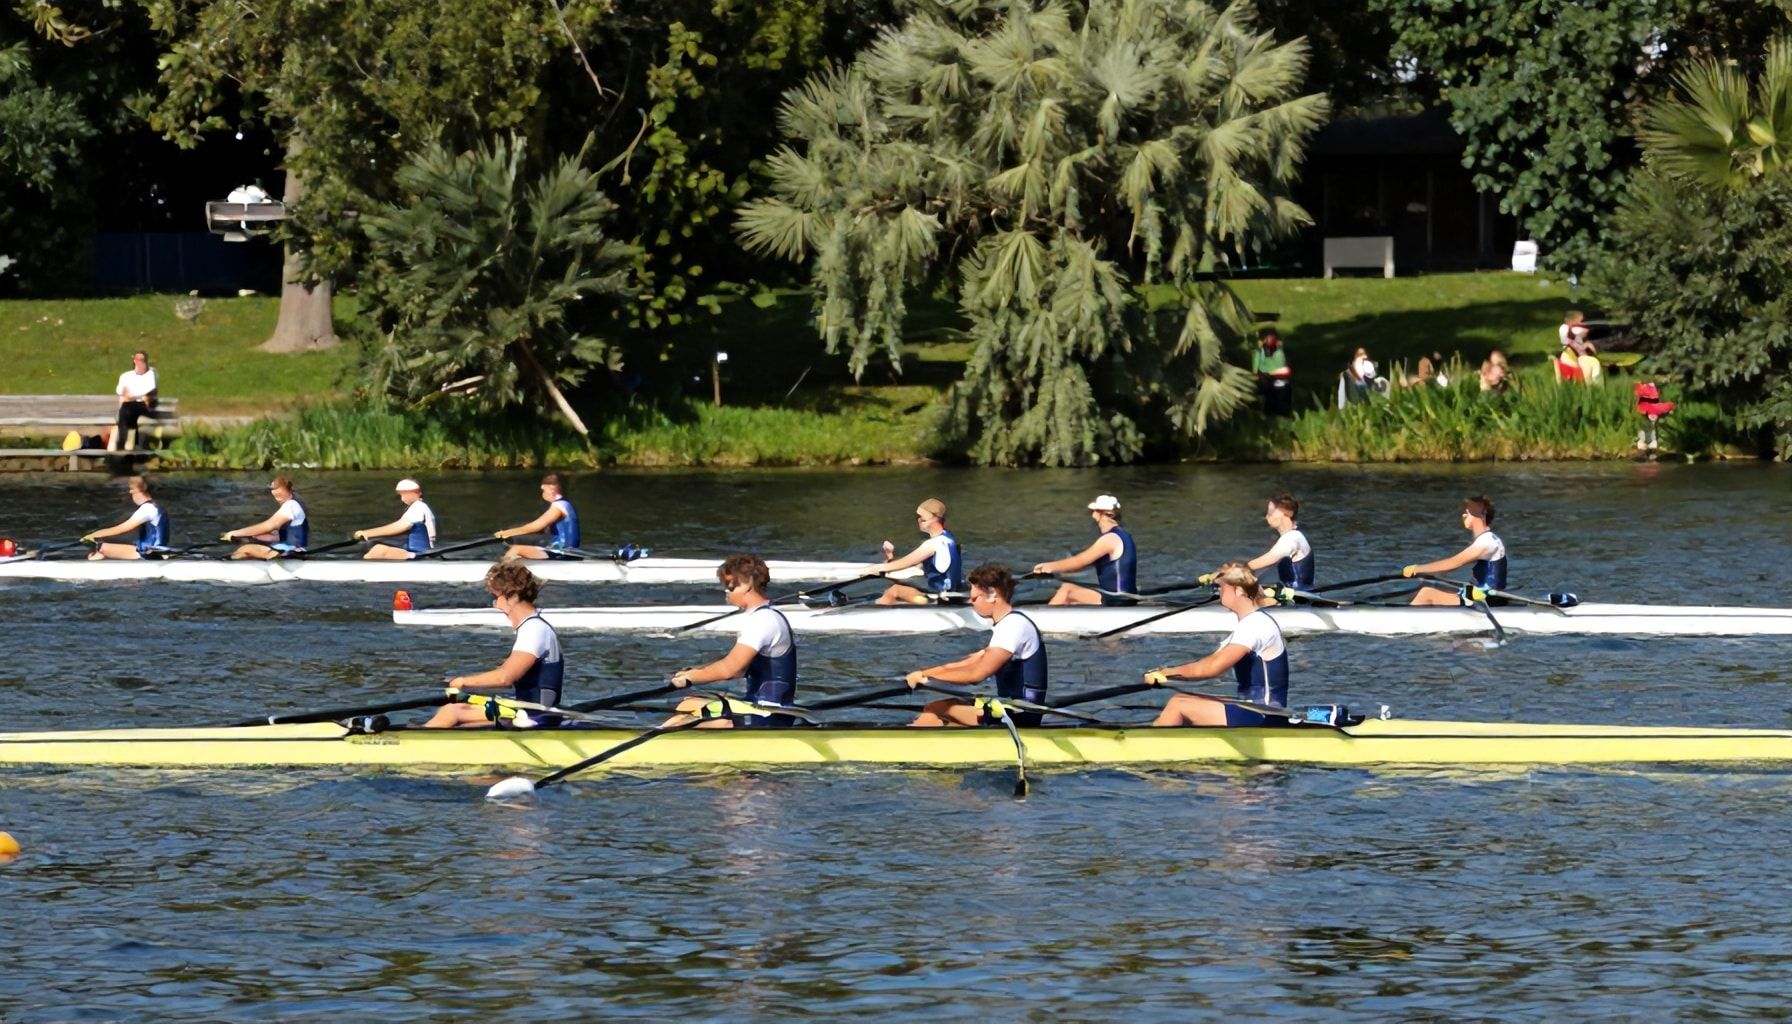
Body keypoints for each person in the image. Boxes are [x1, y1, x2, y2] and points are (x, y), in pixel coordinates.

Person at [1145, 563, 1289, 727]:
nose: (1219, 591)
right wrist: (1164, 676)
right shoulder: (1249, 624)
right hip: (1254, 708)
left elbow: (1213, 667)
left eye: (1222, 587)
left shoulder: (1256, 624)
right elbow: (1209, 663)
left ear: (1239, 590)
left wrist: (1168, 672)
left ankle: (1143, 746)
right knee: (1185, 699)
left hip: (1264, 713)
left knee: (1178, 705)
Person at [905, 563, 1047, 727]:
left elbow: (976, 674)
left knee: (937, 708)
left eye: (975, 598)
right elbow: (967, 663)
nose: (971, 603)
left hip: (1021, 714)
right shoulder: (1008, 624)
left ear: (992, 594)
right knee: (938, 718)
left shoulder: (1013, 626)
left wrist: (929, 679)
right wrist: (922, 673)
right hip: (1009, 708)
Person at [665, 554, 798, 728]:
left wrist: (691, 677)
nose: (726, 593)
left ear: (748, 584)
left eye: (730, 587)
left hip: (767, 715)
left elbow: (730, 669)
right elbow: (739, 670)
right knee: (688, 704)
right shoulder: (763, 616)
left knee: (680, 722)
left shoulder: (764, 620)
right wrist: (697, 671)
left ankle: (645, 748)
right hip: (762, 708)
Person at [425, 562, 564, 728]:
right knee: (457, 716)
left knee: (452, 712)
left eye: (497, 598)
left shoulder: (534, 629)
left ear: (512, 598)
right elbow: (504, 676)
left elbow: (505, 678)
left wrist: (462, 682)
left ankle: (408, 747)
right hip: (527, 712)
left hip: (535, 717)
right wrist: (465, 685)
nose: (496, 605)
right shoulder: (534, 627)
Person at [1400, 495, 1507, 606]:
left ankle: (1403, 619)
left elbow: (1452, 564)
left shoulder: (1486, 542)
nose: (1464, 515)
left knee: (1426, 593)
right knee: (1429, 585)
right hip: (1478, 594)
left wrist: (1417, 569)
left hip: (1487, 599)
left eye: (1467, 513)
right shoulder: (1488, 538)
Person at [1031, 494, 1137, 605]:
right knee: (1073, 594)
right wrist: (1059, 572)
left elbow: (1079, 561)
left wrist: (1049, 567)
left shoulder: (1109, 539)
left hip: (1117, 600)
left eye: (1094, 512)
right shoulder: (1124, 535)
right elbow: (1080, 566)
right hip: (1123, 597)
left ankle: (1043, 620)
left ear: (1097, 514)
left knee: (1067, 590)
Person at [868, 497, 964, 605]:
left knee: (894, 590)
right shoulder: (948, 538)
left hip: (942, 599)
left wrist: (869, 569)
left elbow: (904, 563)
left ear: (935, 518)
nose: (918, 519)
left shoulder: (933, 544)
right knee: (898, 584)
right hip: (949, 593)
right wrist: (890, 556)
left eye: (921, 517)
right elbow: (909, 565)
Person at [82, 475, 172, 560]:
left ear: (142, 491)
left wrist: (92, 536)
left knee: (100, 547)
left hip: (150, 552)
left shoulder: (148, 509)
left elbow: (121, 529)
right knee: (100, 546)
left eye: (132, 489)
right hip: (153, 549)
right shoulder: (156, 506)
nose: (130, 492)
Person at [495, 473, 581, 559]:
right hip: (566, 551)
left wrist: (506, 533)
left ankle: (498, 570)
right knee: (520, 552)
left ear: (552, 489)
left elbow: (535, 527)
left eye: (544, 490)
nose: (543, 494)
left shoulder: (559, 506)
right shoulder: (566, 504)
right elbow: (542, 530)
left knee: (516, 549)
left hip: (562, 552)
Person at [222, 477, 308, 560]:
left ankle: (224, 565)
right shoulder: (295, 500)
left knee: (245, 549)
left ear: (286, 489)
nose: (276, 496)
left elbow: (269, 525)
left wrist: (236, 533)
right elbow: (279, 535)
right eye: (274, 491)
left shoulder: (291, 505)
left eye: (278, 492)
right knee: (245, 547)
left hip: (291, 551)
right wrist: (253, 537)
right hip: (290, 548)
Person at [1242, 492, 1313, 590]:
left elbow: (1267, 560)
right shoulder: (1290, 536)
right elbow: (1265, 567)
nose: (1267, 517)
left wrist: (1234, 570)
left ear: (1288, 513)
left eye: (1270, 513)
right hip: (1293, 591)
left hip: (1299, 596)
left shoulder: (1292, 539)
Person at [353, 479, 437, 560]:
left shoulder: (419, 507)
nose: (401, 498)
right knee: (374, 547)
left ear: (413, 493)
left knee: (378, 551)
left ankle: (411, 556)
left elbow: (400, 526)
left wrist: (367, 533)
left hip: (420, 551)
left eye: (403, 494)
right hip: (416, 548)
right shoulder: (418, 507)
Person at [111, 351, 157, 451]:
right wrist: (129, 396)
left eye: (143, 361)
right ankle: (128, 444)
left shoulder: (150, 374)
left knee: (126, 410)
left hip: (145, 405)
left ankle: (127, 443)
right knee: (126, 412)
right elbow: (120, 391)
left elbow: (148, 391)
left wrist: (130, 395)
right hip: (129, 405)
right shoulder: (126, 376)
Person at [1252, 331, 1293, 416]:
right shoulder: (1259, 353)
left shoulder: (1279, 354)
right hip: (1264, 379)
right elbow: (1255, 371)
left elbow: (1283, 370)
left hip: (1276, 379)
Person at [1556, 310, 1602, 383]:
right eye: (1580, 320)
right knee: (1594, 362)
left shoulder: (1564, 328)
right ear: (1572, 321)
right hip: (1576, 355)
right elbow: (1582, 333)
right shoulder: (1572, 330)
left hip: (1573, 352)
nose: (1582, 323)